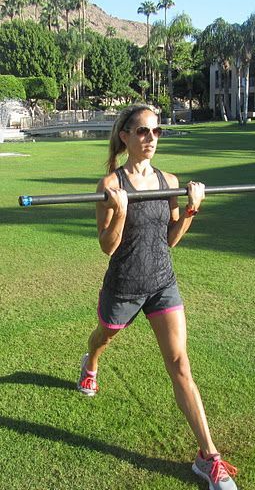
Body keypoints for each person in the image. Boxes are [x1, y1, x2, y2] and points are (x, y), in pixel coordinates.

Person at [77, 104, 238, 490]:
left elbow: (169, 240)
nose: (151, 138)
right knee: (104, 335)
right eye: (143, 131)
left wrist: (191, 210)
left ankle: (208, 458)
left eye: (157, 131)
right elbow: (106, 247)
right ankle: (90, 362)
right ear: (125, 137)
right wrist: (118, 212)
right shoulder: (109, 186)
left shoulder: (169, 180)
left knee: (181, 364)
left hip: (162, 282)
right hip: (125, 284)